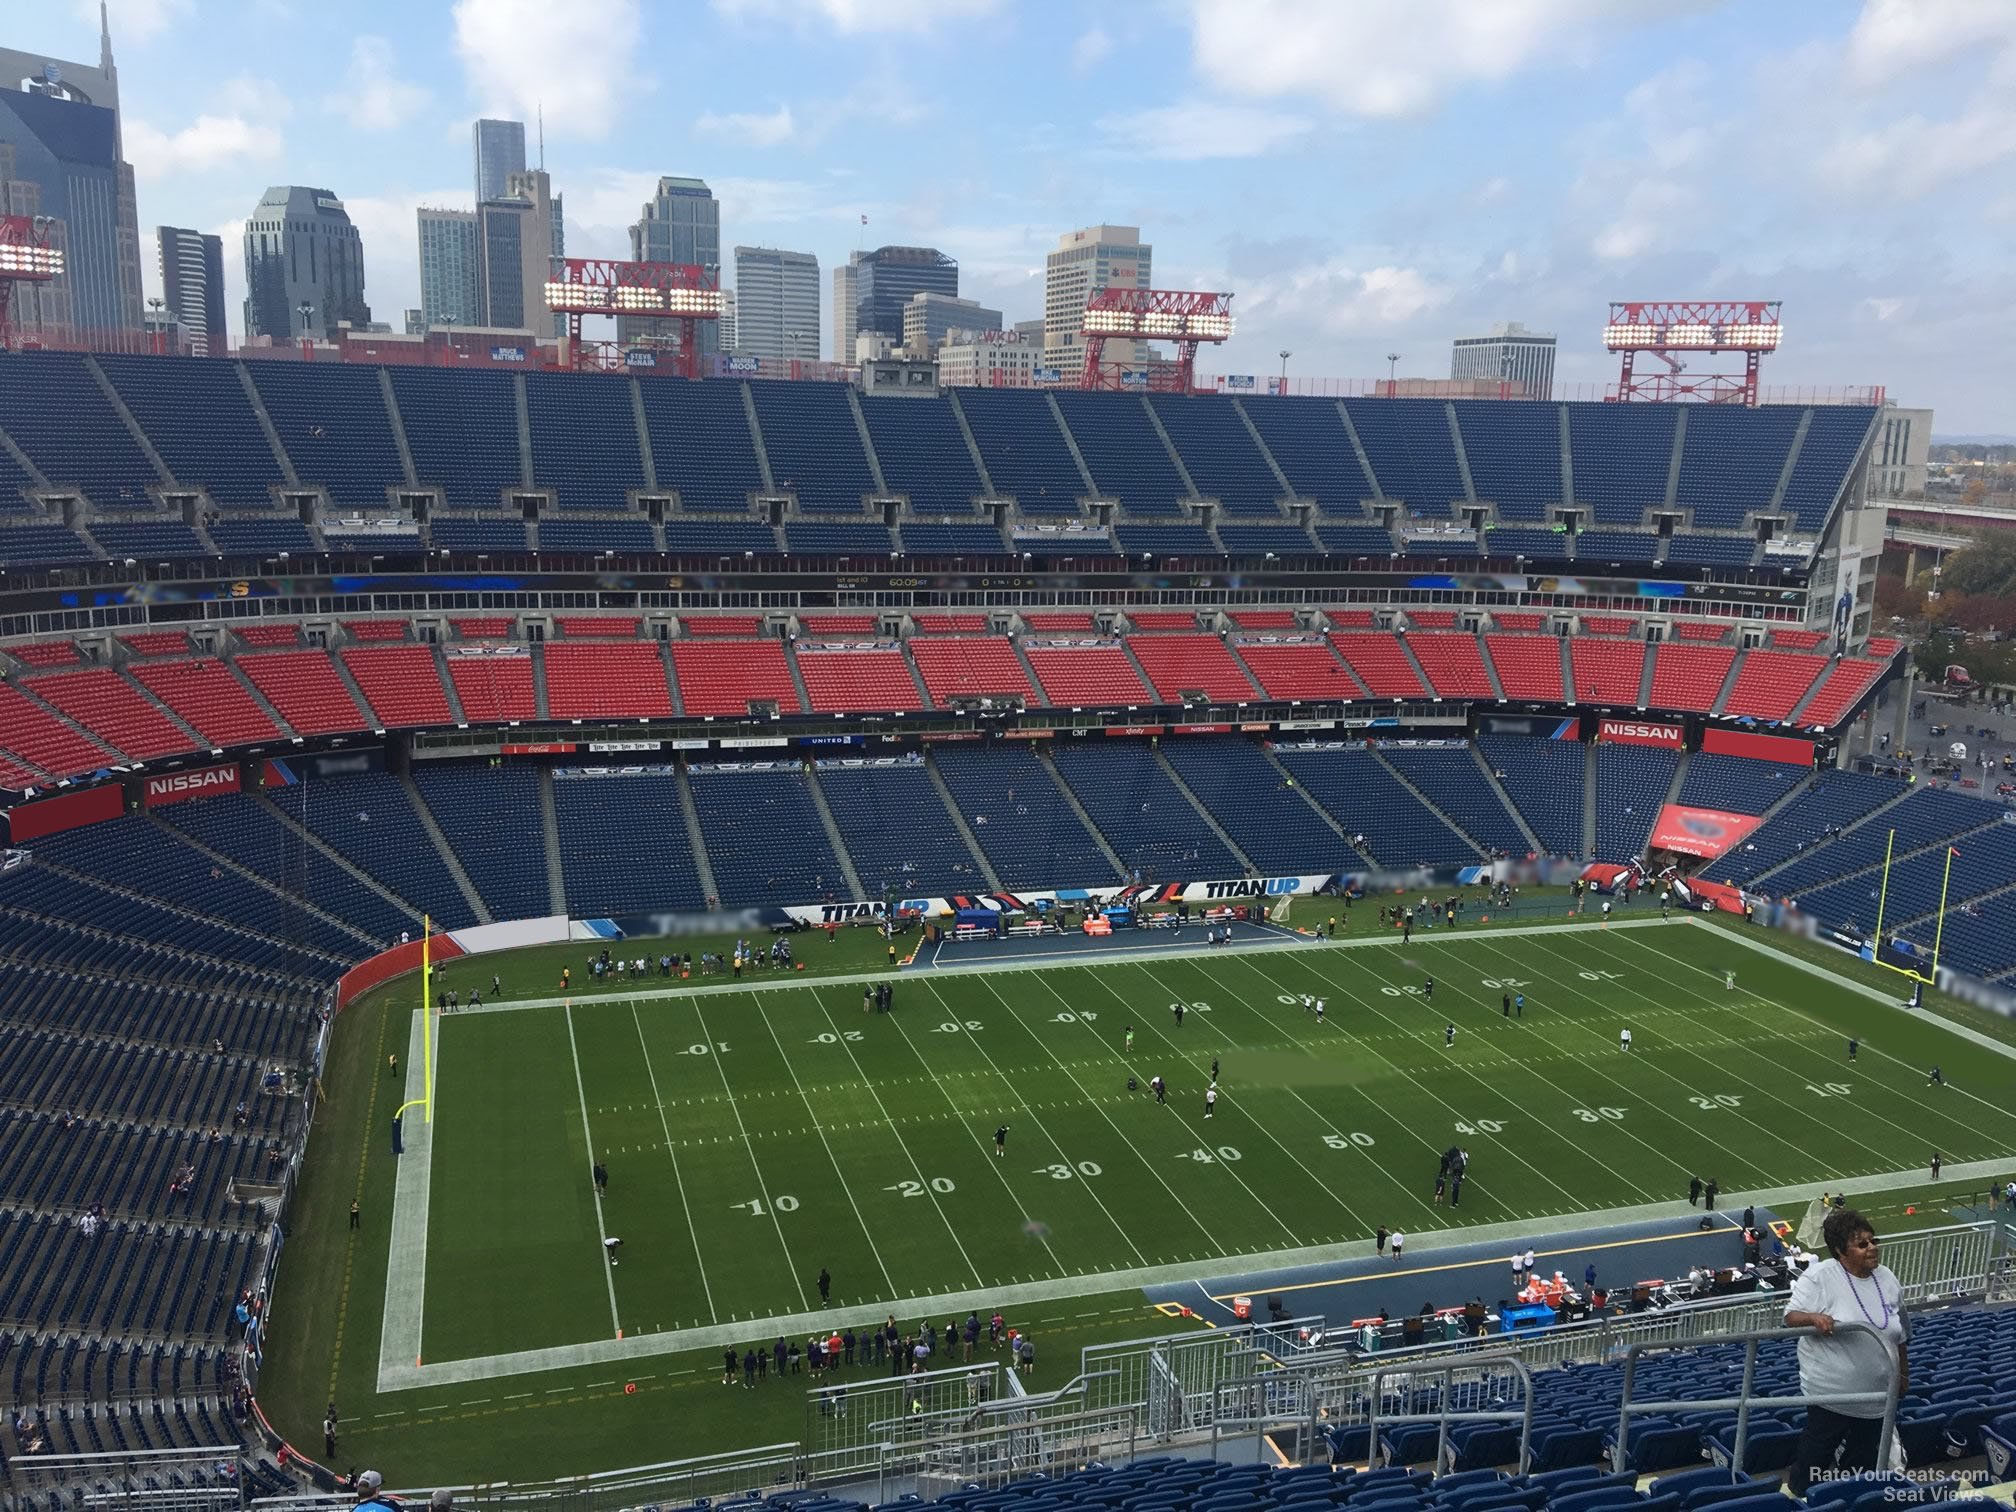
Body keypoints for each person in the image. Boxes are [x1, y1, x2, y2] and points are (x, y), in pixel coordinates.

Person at [1783, 1208, 1908, 1495]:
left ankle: (1845, 1499)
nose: (1872, 1248)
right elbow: (1791, 1317)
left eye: (1873, 1241)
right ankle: (1802, 1497)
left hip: (1877, 1396)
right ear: (1841, 1250)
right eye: (1862, 1244)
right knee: (1816, 1456)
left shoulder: (1887, 1278)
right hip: (1832, 1395)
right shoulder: (1820, 1276)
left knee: (1862, 1461)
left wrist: (1903, 1373)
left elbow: (1901, 1332)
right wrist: (1814, 1318)